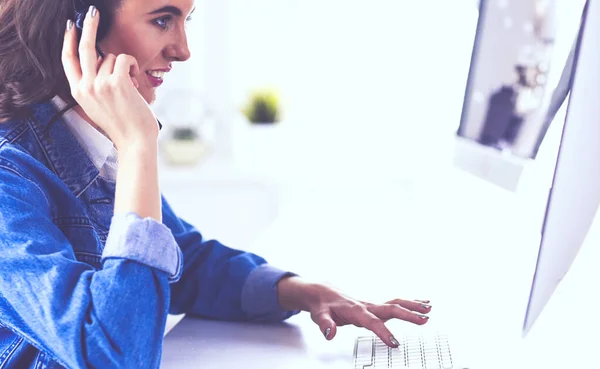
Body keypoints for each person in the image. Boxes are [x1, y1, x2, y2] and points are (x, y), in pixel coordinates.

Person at [0, 0, 432, 368]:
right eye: (162, 19)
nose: (183, 50)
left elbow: (185, 261)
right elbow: (114, 351)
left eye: (187, 20)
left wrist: (299, 291)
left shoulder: (85, 138)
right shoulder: (9, 174)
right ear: (80, 27)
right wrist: (137, 145)